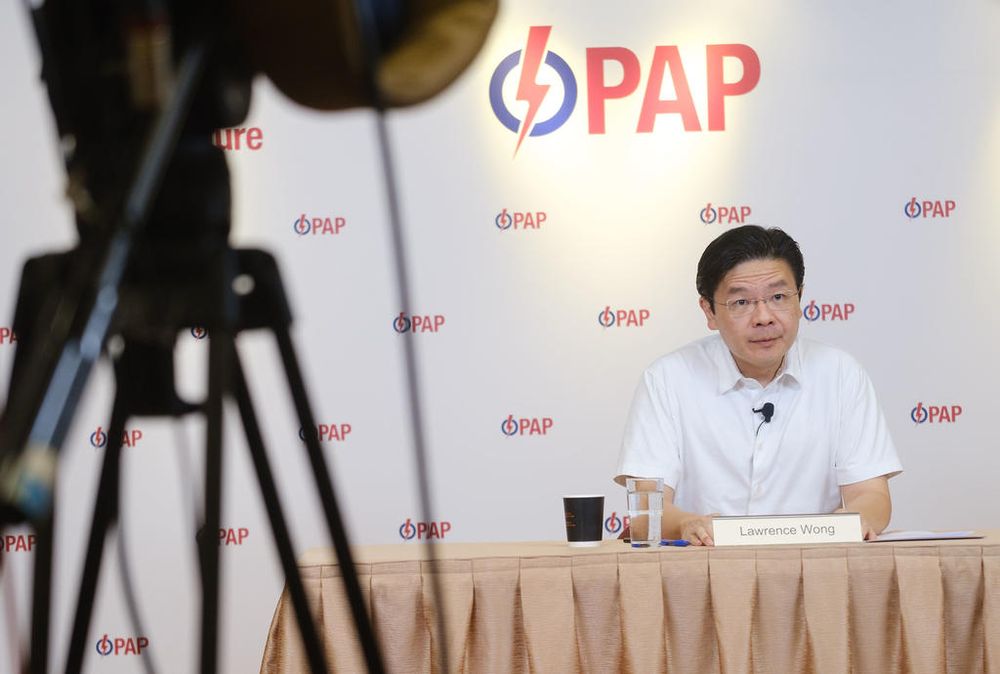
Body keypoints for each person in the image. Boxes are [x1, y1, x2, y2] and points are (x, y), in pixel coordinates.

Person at [614, 225, 901, 545]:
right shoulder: (667, 379)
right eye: (741, 303)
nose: (764, 317)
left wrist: (847, 523)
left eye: (778, 297)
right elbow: (645, 513)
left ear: (800, 298)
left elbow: (872, 495)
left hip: (813, 571)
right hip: (702, 571)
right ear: (709, 310)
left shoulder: (840, 374)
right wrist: (690, 524)